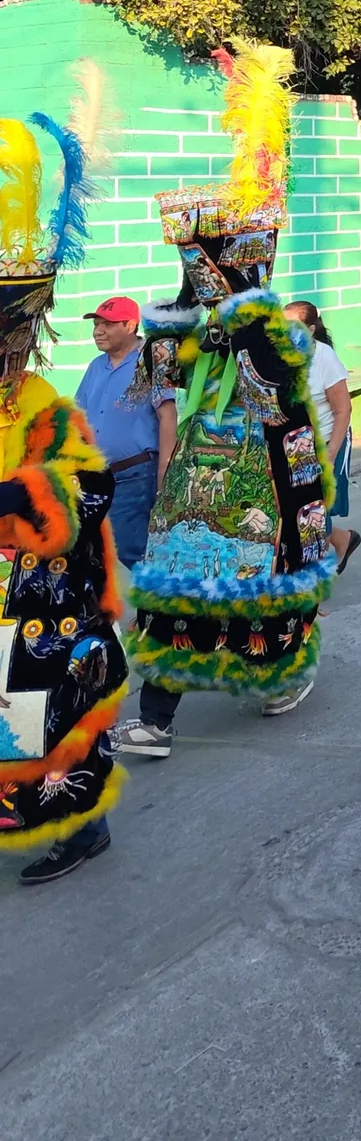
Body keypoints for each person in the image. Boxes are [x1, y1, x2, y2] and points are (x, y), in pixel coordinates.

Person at [116, 44, 336, 760]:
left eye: (215, 261)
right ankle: (157, 717)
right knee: (175, 590)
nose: (201, 277)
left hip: (264, 487)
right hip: (195, 489)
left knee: (263, 589)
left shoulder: (272, 335)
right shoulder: (197, 328)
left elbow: (266, 381)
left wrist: (225, 313)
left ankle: (276, 680)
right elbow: (156, 368)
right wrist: (188, 315)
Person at [0, 105, 128, 883]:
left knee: (48, 721)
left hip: (37, 602)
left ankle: (82, 831)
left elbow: (90, 488)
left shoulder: (41, 402)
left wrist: (15, 498)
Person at [75, 296, 176, 567]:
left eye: (107, 325)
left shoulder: (152, 361)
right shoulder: (96, 367)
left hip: (135, 475)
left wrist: (164, 474)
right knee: (94, 557)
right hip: (94, 479)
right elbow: (77, 420)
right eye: (96, 325)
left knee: (126, 556)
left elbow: (167, 417)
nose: (98, 331)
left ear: (130, 326)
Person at [284, 301, 359, 571]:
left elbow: (343, 410)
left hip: (327, 440)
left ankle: (310, 576)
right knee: (295, 510)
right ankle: (343, 539)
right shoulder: (277, 356)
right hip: (294, 446)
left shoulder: (323, 357)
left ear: (311, 330)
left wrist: (330, 453)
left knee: (314, 513)